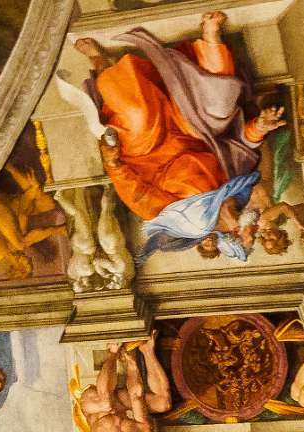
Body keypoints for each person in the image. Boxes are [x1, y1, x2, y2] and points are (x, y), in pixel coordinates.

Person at [75, 12, 286, 259]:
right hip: (195, 133)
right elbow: (241, 148)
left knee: (136, 112)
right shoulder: (238, 192)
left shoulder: (185, 220)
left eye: (250, 238)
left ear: (232, 232)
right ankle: (210, 38)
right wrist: (260, 127)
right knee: (219, 105)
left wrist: (113, 163)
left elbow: (138, 196)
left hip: (148, 151)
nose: (255, 232)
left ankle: (100, 61)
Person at [75, 332, 172, 432]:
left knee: (106, 404)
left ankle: (112, 352)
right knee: (163, 404)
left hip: (93, 404)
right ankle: (147, 350)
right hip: (118, 402)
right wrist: (131, 362)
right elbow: (136, 396)